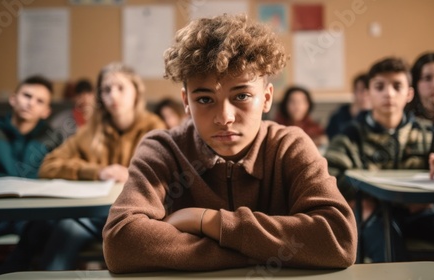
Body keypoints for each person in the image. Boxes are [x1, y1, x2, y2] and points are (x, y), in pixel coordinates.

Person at [103, 14, 356, 273]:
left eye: (242, 96)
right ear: (186, 101)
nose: (225, 118)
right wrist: (264, 252)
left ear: (267, 98)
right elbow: (121, 242)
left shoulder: (289, 146)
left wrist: (208, 221)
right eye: (204, 99)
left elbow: (338, 238)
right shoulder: (162, 149)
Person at [324, 57, 434, 262]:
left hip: (423, 213)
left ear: (409, 94)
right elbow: (329, 176)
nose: (388, 94)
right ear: (369, 94)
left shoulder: (427, 133)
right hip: (374, 216)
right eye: (379, 87)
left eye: (397, 86)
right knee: (388, 247)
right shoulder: (350, 136)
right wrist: (372, 200)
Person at [30, 62, 165, 271]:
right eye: (106, 89)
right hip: (94, 213)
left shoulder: (154, 126)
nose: (113, 95)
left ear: (137, 92)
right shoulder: (91, 129)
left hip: (137, 217)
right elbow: (48, 165)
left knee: (64, 227)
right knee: (62, 227)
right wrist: (98, 172)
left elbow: (166, 176)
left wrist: (132, 174)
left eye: (121, 88)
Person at [0, 76, 62, 279]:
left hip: (31, 213)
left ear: (46, 111)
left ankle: (10, 273)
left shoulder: (51, 137)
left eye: (39, 101)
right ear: (13, 99)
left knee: (49, 227)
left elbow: (61, 169)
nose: (31, 103)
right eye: (27, 95)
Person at [326, 73, 371, 140]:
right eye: (361, 90)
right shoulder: (338, 115)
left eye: (368, 90)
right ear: (354, 91)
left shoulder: (374, 117)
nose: (365, 94)